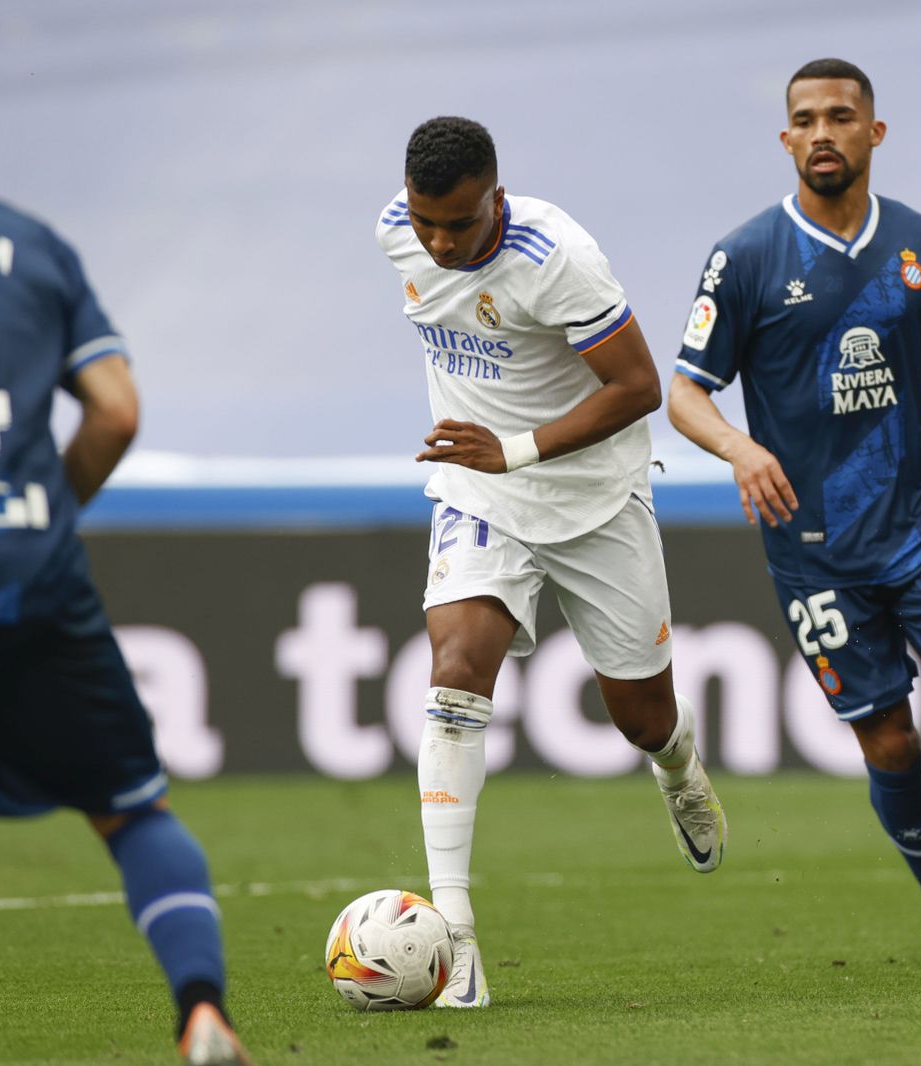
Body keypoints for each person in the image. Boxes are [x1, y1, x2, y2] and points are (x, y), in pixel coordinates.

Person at [668, 59, 921, 960]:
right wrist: (742, 449)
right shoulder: (745, 257)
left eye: (840, 116)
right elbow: (686, 394)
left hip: (919, 525)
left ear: (875, 132)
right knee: (888, 742)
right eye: (804, 119)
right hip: (814, 548)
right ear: (786, 138)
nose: (822, 132)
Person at [375, 117, 727, 1008]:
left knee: (641, 715)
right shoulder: (396, 234)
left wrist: (517, 448)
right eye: (428, 223)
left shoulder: (556, 256)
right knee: (454, 673)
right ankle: (452, 932)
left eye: (459, 222)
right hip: (480, 496)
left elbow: (639, 387)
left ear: (497, 193)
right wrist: (490, 461)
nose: (442, 243)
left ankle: (679, 767)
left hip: (594, 497)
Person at [0, 178, 251, 1064]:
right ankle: (202, 1016)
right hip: (25, 572)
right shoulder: (26, 241)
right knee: (133, 814)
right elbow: (115, 410)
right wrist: (41, 513)